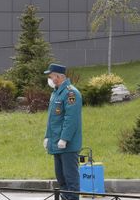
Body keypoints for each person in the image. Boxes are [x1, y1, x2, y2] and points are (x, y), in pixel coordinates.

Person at [43, 63, 82, 200]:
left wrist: (64, 138)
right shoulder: (56, 93)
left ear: (58, 77)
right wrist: (47, 137)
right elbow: (52, 119)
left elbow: (71, 119)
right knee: (61, 179)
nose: (49, 79)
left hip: (68, 145)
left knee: (70, 179)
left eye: (50, 76)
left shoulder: (71, 93)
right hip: (56, 144)